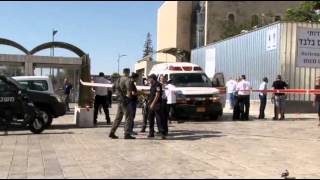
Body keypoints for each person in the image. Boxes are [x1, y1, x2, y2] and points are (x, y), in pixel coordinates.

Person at [109, 68, 135, 139]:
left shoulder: (118, 79)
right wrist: (128, 98)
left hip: (119, 100)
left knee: (118, 118)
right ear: (128, 72)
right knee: (128, 117)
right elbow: (129, 90)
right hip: (125, 101)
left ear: (123, 72)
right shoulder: (127, 79)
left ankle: (112, 132)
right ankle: (127, 134)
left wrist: (118, 95)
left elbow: (112, 88)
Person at [147, 74, 166, 139]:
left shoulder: (158, 85)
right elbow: (152, 94)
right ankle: (151, 132)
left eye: (149, 78)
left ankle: (162, 133)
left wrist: (153, 103)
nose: (149, 80)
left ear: (153, 78)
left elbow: (157, 95)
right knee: (150, 119)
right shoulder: (152, 85)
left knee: (159, 119)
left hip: (157, 104)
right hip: (151, 104)